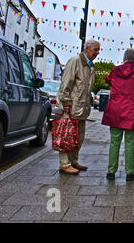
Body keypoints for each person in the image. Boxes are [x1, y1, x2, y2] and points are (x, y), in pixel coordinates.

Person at [101, 49, 134, 181]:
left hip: (115, 110)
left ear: (124, 58)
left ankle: (111, 171)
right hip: (131, 111)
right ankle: (129, 172)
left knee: (114, 142)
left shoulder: (115, 70)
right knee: (129, 142)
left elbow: (108, 80)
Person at [56, 39, 100, 175]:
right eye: (95, 50)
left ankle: (73, 161)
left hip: (82, 108)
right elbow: (66, 84)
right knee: (68, 136)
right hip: (72, 106)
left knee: (79, 137)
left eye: (98, 50)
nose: (97, 53)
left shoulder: (90, 66)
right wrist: (66, 102)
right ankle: (64, 164)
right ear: (87, 48)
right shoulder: (75, 61)